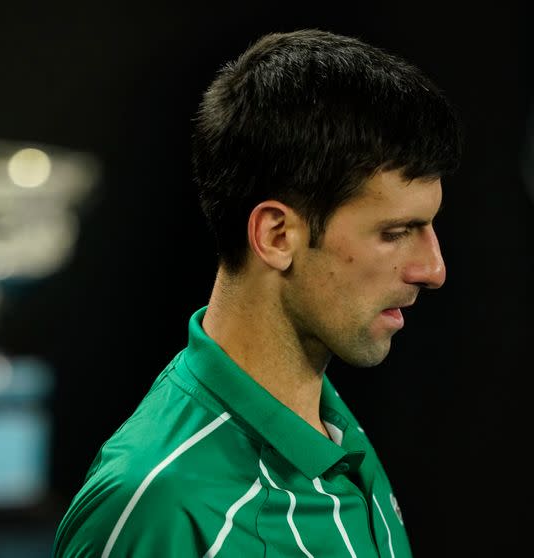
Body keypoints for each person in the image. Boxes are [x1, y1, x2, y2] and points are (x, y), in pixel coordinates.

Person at [53, 28, 462, 557]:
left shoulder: (336, 434)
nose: (433, 269)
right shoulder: (161, 504)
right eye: (395, 232)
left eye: (429, 228)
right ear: (276, 236)